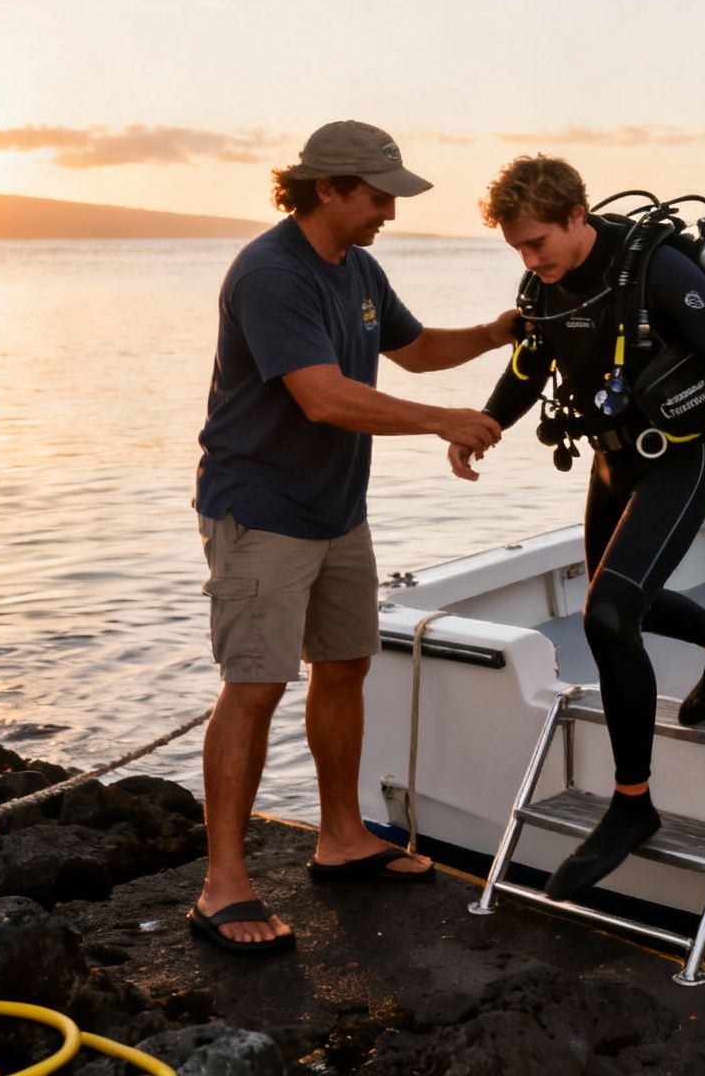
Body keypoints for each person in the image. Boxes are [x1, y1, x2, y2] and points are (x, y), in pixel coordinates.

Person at [190, 121, 518, 953]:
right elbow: (324, 398)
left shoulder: (361, 268)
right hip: (260, 513)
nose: (390, 214)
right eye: (377, 198)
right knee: (254, 686)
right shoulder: (270, 273)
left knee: (343, 667)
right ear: (327, 189)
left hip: (338, 510)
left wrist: (493, 333)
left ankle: (341, 838)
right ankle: (221, 885)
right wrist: (445, 421)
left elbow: (411, 352)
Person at [457, 155, 705, 900]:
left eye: (537, 243)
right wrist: (488, 422)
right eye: (518, 250)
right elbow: (531, 364)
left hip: (680, 460)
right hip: (611, 463)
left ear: (574, 215)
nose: (530, 261)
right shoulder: (543, 285)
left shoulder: (655, 271)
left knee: (607, 615)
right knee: (625, 601)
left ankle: (634, 806)